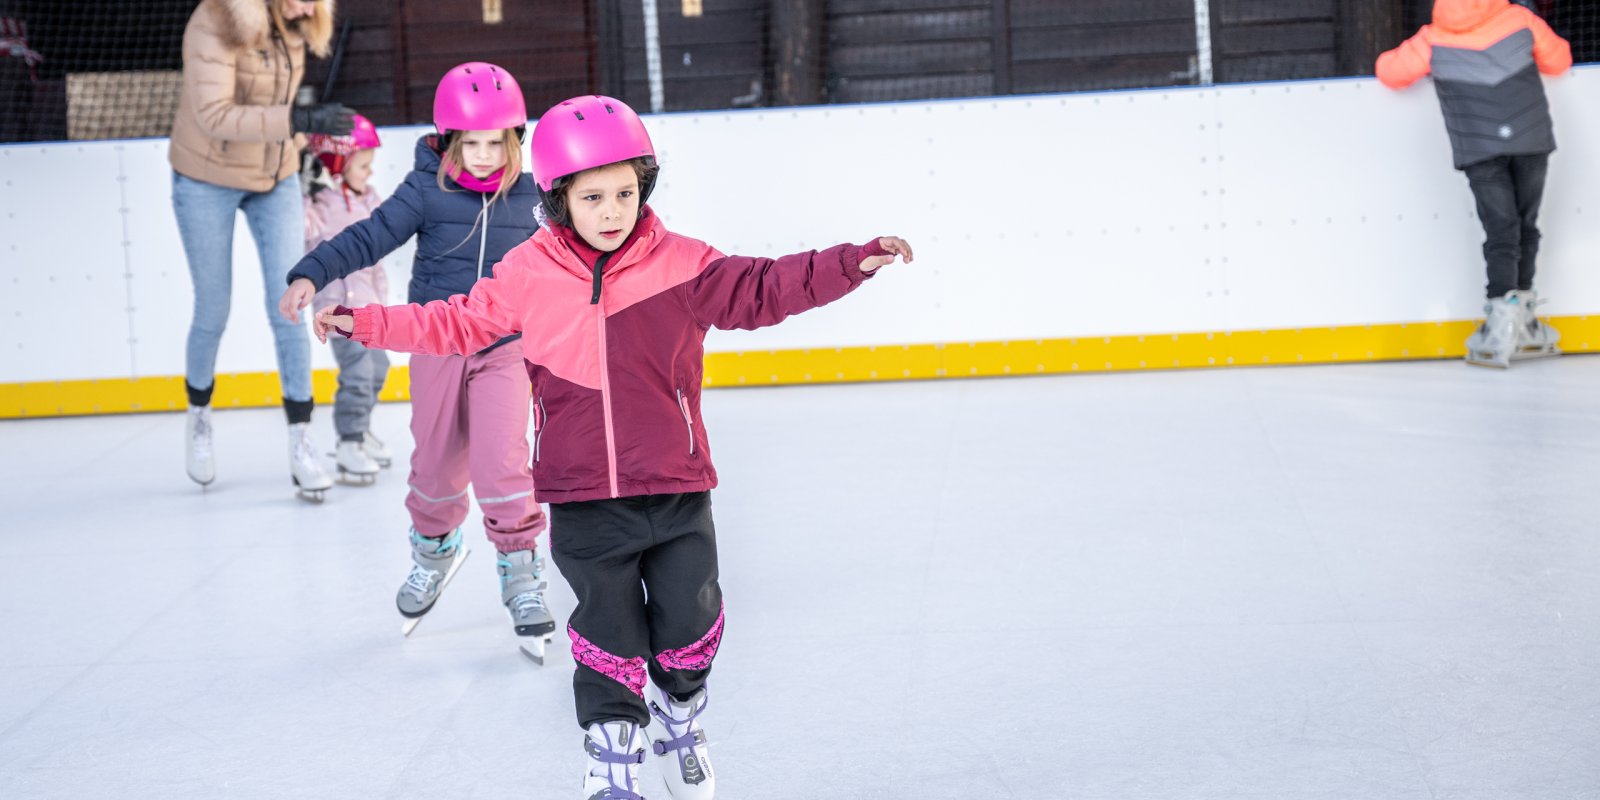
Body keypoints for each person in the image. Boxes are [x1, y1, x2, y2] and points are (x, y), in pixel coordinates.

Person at [314, 94, 913, 800]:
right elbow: (454, 322)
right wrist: (366, 322)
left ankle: (680, 712)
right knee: (608, 630)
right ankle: (612, 755)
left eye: (625, 193)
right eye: (593, 197)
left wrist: (852, 262)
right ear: (559, 199)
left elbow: (765, 288)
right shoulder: (527, 273)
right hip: (582, 494)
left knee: (690, 621)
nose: (612, 211)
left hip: (675, 485)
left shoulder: (684, 265)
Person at [279, 63, 552, 644]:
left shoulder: (535, 197)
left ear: (515, 140)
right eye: (470, 144)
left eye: (495, 143)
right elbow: (369, 235)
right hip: (436, 341)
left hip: (507, 347)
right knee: (435, 460)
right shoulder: (425, 190)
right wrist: (312, 272)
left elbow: (582, 254)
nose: (484, 156)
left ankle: (521, 570)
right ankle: (434, 551)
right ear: (449, 142)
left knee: (503, 462)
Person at [170, 0, 352, 499]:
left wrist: (307, 147)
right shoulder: (216, 19)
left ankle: (301, 439)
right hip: (205, 178)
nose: (307, 5)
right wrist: (299, 118)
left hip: (274, 177)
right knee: (213, 307)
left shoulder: (293, 25)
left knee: (291, 302)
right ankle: (199, 414)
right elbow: (213, 114)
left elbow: (277, 107)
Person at [1376, 0, 1572, 368]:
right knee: (1526, 226)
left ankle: (1501, 324)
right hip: (1530, 139)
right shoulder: (1520, 20)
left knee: (1501, 231)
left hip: (1480, 147)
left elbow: (1389, 72)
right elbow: (1559, 60)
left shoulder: (1431, 39)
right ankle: (1525, 321)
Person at [302, 113, 392, 484]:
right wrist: (300, 189)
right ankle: (349, 442)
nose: (370, 173)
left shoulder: (369, 199)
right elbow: (300, 230)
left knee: (379, 369)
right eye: (363, 166)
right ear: (336, 164)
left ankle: (362, 428)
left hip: (371, 308)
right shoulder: (318, 206)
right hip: (337, 310)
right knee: (358, 374)